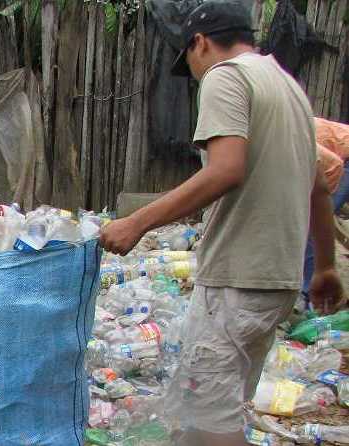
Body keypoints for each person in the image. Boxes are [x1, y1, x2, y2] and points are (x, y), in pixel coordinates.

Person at [100, 2, 344, 445]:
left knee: (211, 425)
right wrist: (325, 265)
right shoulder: (287, 86)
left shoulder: (226, 76)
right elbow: (320, 187)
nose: (192, 72)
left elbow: (224, 170)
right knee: (208, 414)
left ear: (199, 42)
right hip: (274, 281)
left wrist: (137, 222)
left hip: (236, 279)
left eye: (188, 59)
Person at [303, 118, 349, 298]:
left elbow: (334, 165)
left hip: (343, 162)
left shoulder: (297, 134)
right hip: (338, 158)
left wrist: (318, 205)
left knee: (313, 224)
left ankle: (309, 295)